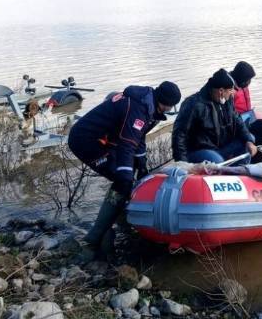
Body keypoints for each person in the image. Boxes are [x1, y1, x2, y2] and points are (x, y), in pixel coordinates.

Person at [68, 81, 181, 260]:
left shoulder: (148, 104)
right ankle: (93, 240)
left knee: (127, 175)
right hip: (86, 141)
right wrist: (125, 174)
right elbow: (127, 144)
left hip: (104, 141)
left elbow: (139, 137)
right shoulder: (139, 107)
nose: (168, 110)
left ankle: (115, 228)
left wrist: (142, 163)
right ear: (164, 102)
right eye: (168, 107)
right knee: (122, 180)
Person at [172, 68, 257, 164]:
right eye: (230, 90)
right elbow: (179, 135)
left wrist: (248, 140)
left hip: (220, 148)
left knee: (250, 139)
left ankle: (237, 171)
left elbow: (237, 120)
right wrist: (182, 163)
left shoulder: (227, 100)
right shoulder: (193, 104)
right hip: (198, 151)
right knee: (216, 159)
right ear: (221, 91)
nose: (232, 93)